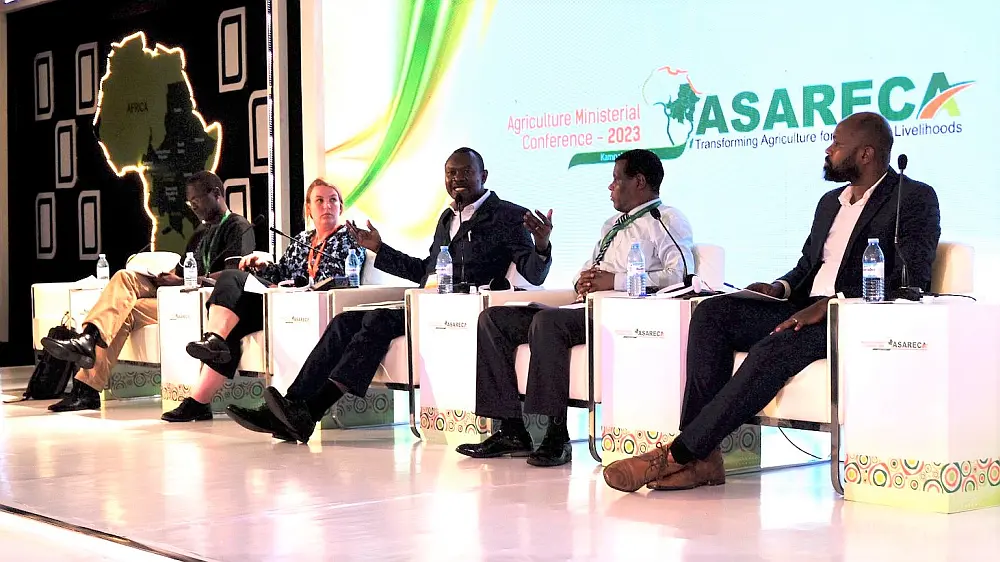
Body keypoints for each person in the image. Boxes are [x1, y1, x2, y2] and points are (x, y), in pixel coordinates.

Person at [602, 112, 941, 493]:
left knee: (773, 346)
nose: (828, 150)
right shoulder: (831, 202)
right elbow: (808, 267)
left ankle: (676, 457)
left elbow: (912, 280)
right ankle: (706, 459)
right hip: (803, 306)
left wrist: (835, 302)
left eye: (837, 144)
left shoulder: (912, 198)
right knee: (712, 314)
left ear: (865, 154)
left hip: (850, 318)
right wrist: (779, 287)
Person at [225, 147, 554, 442]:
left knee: (380, 319)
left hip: (468, 311)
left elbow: (534, 273)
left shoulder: (509, 215)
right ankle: (292, 406)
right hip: (429, 304)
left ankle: (310, 412)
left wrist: (541, 246)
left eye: (466, 172)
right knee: (345, 321)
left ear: (484, 176)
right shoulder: (447, 217)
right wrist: (380, 249)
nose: (457, 179)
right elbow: (427, 270)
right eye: (450, 173)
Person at [456, 149, 694, 467]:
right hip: (582, 308)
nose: (610, 188)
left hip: (619, 315)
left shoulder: (664, 219)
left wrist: (616, 281)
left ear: (639, 182)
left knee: (547, 323)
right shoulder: (612, 224)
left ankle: (557, 436)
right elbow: (592, 267)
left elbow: (680, 274)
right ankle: (512, 431)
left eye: (616, 180)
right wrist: (582, 280)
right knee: (493, 319)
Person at [40, 171, 256, 412]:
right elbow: (185, 269)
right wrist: (166, 277)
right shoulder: (199, 233)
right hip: (179, 300)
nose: (193, 207)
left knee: (124, 305)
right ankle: (87, 382)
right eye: (190, 202)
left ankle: (88, 341)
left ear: (216, 194)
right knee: (123, 295)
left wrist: (182, 281)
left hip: (209, 307)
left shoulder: (238, 227)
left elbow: (233, 277)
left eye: (196, 200)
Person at [162, 179, 365, 422]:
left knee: (234, 319)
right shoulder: (303, 238)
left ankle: (209, 371)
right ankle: (209, 358)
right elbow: (281, 271)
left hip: (311, 306)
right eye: (319, 200)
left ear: (341, 207)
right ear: (308, 209)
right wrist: (263, 263)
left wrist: (289, 283)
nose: (327, 206)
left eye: (333, 200)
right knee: (231, 281)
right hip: (280, 303)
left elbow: (334, 276)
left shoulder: (349, 238)